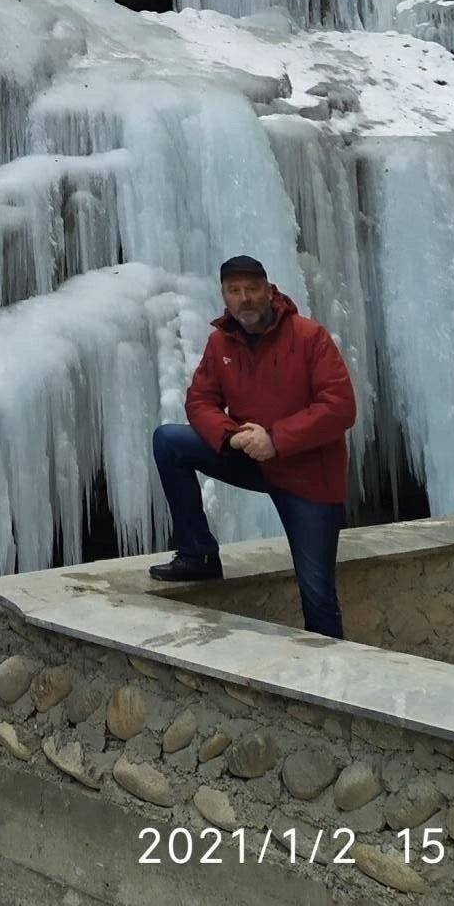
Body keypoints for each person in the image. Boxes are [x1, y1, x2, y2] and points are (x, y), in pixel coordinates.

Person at [149, 255, 357, 638]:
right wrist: (228, 435)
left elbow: (340, 407)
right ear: (224, 296)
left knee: (318, 598)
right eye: (235, 291)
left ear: (269, 289)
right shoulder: (220, 344)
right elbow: (199, 401)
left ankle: (328, 682)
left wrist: (276, 439)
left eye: (252, 289)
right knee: (169, 442)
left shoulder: (310, 337)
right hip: (251, 459)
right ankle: (198, 553)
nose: (245, 298)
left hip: (308, 478)